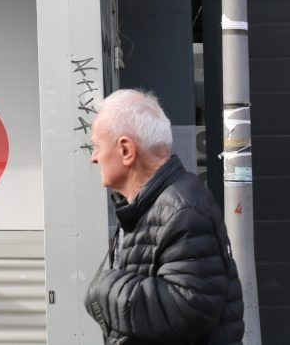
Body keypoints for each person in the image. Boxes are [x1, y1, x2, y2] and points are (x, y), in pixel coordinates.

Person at [85, 89, 244, 345]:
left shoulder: (182, 208)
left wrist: (104, 290)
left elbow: (191, 305)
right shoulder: (149, 204)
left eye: (97, 146)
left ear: (126, 150)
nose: (93, 158)